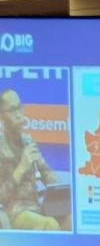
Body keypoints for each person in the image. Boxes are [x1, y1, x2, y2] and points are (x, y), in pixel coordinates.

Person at [0, 89, 65, 230]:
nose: (18, 115)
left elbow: (46, 173)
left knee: (70, 219)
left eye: (19, 108)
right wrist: (22, 167)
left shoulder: (27, 140)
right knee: (50, 225)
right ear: (1, 116)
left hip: (37, 206)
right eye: (12, 110)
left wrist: (58, 187)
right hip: (15, 212)